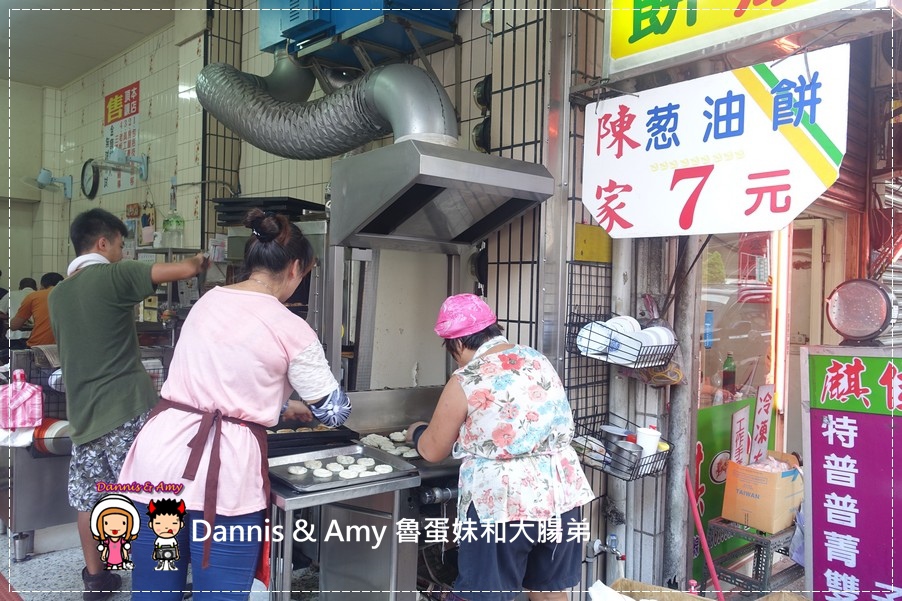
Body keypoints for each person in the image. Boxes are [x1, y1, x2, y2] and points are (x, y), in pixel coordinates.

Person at [118, 208, 351, 600]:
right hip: (224, 474)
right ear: (296, 268)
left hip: (158, 460)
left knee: (154, 592)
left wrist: (276, 404)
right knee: (220, 594)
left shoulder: (209, 301)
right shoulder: (292, 328)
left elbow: (216, 383)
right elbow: (333, 412)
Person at [48, 208, 209, 601]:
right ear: (102, 243)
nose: (121, 253)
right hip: (126, 410)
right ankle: (160, 581)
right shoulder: (111, 274)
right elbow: (185, 269)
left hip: (83, 416)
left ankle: (96, 580)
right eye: (120, 245)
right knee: (151, 495)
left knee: (90, 497)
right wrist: (207, 256)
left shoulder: (58, 294)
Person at [407, 294, 595, 601]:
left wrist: (417, 432)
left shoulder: (466, 378)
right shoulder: (537, 359)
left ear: (455, 344)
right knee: (548, 592)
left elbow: (432, 450)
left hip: (502, 505)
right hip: (561, 496)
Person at [10, 272, 64, 347]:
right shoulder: (73, 297)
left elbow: (14, 326)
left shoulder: (34, 296)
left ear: (42, 286)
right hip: (65, 347)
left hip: (39, 345)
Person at [2, 277, 37, 350]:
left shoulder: (10, 295)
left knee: (11, 359)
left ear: (19, 288)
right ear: (36, 288)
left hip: (13, 336)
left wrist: (11, 317)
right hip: (34, 336)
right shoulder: (39, 296)